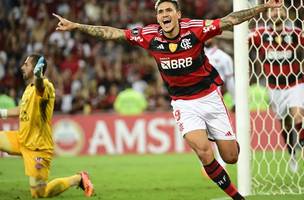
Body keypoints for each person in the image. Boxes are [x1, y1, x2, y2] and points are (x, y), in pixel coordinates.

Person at [53, 0, 282, 199]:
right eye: (160, 12)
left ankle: (223, 139)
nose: (164, 15)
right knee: (203, 152)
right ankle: (237, 197)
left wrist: (264, 7)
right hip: (183, 102)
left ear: (178, 14)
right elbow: (113, 33)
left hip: (210, 97)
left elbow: (229, 20)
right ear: (158, 18)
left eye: (168, 10)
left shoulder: (195, 29)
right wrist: (76, 26)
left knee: (231, 157)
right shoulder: (149, 35)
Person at [0, 54, 94, 198]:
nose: (22, 67)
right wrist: (2, 113)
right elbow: (21, 110)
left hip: (38, 148)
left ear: (37, 68)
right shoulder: (29, 88)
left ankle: (78, 179)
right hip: (21, 139)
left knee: (39, 193)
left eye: (26, 64)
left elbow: (40, 86)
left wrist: (38, 76)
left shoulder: (46, 86)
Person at [249, 7, 304, 173]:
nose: (275, 13)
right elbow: (237, 38)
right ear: (266, 14)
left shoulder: (295, 32)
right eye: (272, 10)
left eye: (279, 10)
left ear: (286, 13)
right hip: (274, 87)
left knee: (298, 115)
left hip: (296, 82)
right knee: (285, 124)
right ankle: (292, 153)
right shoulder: (259, 34)